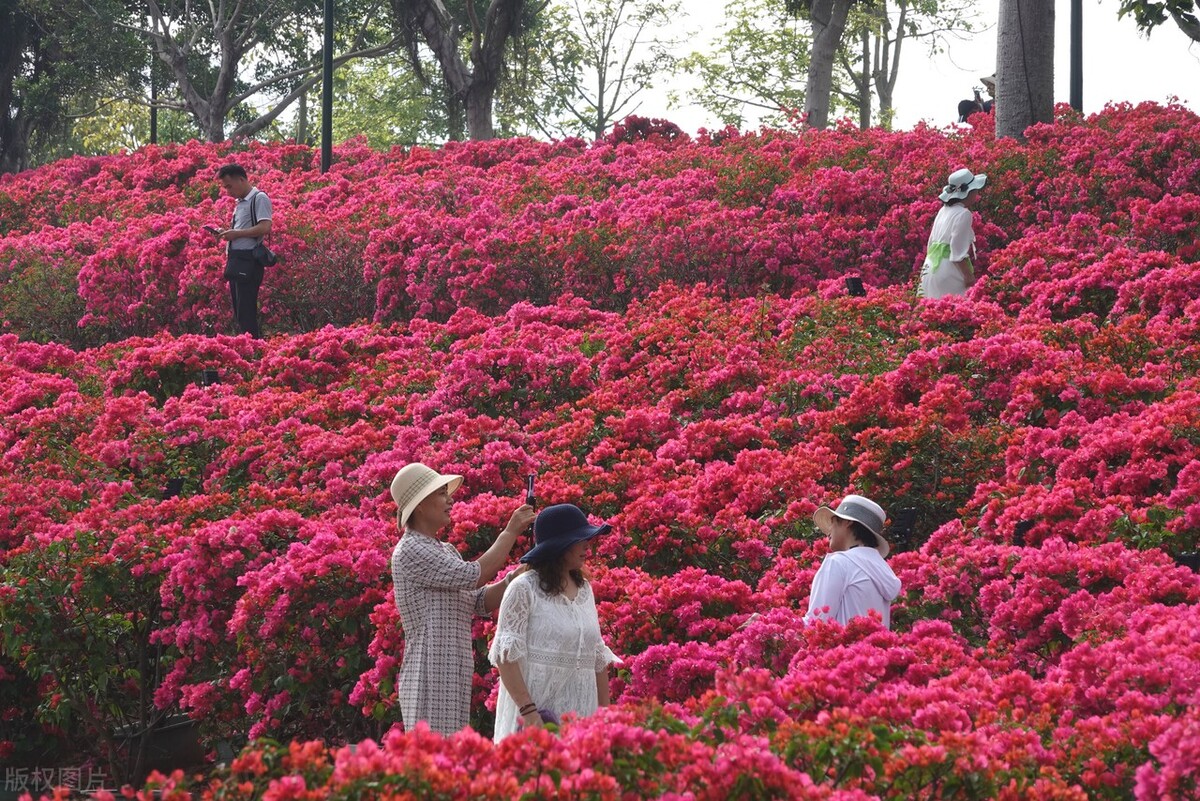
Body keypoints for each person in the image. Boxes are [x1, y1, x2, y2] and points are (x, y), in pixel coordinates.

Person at [389, 463, 535, 736]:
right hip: (429, 674)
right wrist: (510, 532)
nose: (450, 499)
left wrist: (513, 578)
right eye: (441, 493)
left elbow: (479, 601)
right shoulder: (411, 549)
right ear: (420, 505)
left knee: (449, 762)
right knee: (434, 764)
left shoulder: (444, 550)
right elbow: (474, 575)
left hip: (450, 672)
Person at [489, 504, 620, 742]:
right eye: (580, 539)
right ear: (560, 546)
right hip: (536, 720)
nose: (587, 545)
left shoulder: (585, 590)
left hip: (582, 721)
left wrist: (604, 717)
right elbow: (505, 657)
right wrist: (528, 712)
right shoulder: (523, 589)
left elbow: (597, 658)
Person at [805, 494, 902, 629]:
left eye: (833, 521)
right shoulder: (883, 568)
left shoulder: (839, 563)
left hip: (842, 649)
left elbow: (817, 623)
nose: (829, 531)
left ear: (847, 522)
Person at [213, 164, 272, 338]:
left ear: (241, 179)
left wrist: (236, 234)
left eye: (229, 186)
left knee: (246, 312)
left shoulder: (259, 198)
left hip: (249, 261)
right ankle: (248, 350)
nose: (227, 191)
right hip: (237, 260)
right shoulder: (240, 203)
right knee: (240, 312)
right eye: (225, 187)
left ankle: (254, 352)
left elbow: (265, 226)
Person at [917, 167, 986, 300]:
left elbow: (931, 243)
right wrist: (969, 276)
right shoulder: (963, 214)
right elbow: (957, 254)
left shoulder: (943, 210)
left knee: (929, 311)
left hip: (930, 269)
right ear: (969, 192)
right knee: (953, 311)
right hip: (949, 272)